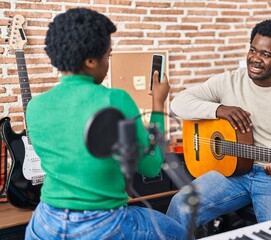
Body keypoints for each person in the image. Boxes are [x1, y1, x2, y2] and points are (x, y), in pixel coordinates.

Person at [25, 8, 188, 240]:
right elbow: (150, 167)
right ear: (91, 61)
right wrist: (158, 103)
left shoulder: (35, 106)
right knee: (181, 234)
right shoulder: (115, 100)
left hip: (43, 223)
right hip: (101, 223)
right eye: (108, 56)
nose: (107, 63)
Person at [166, 19, 271, 232]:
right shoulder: (229, 81)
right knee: (180, 205)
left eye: (265, 55)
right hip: (232, 173)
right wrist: (219, 109)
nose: (255, 59)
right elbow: (178, 103)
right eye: (252, 50)